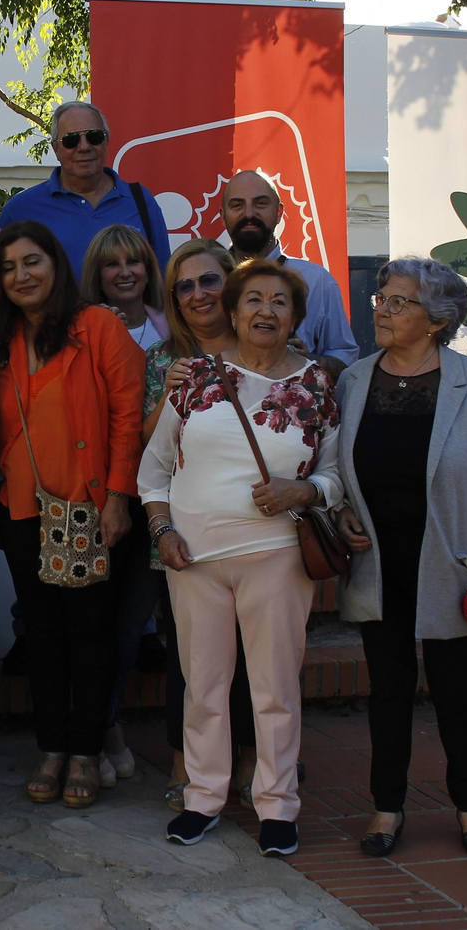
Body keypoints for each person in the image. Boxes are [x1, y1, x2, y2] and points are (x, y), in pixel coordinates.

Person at [139, 258, 343, 859]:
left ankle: (276, 805)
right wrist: (161, 530)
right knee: (203, 684)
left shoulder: (316, 384)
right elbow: (152, 469)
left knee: (274, 686)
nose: (265, 311)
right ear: (232, 311)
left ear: (295, 318)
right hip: (194, 560)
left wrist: (304, 490)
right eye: (253, 299)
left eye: (280, 302)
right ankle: (203, 797)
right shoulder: (196, 377)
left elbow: (336, 475)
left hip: (276, 555)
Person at [334, 257, 467, 860]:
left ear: (438, 320)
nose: (382, 311)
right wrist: (339, 512)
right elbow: (332, 466)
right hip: (378, 561)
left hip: (451, 561)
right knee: (388, 690)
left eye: (399, 302)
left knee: (455, 690)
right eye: (382, 300)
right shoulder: (354, 380)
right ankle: (386, 807)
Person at [0, 221, 143, 810]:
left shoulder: (97, 326)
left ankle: (86, 753)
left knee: (91, 635)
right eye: (8, 267)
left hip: (89, 509)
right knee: (42, 634)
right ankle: (51, 747)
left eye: (33, 261)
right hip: (23, 509)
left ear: (56, 265)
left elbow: (129, 414)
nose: (21, 275)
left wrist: (118, 497)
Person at [137, 240, 252, 814]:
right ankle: (186, 760)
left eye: (209, 281)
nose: (199, 294)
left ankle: (250, 760)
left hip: (258, 529)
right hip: (183, 532)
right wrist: (172, 391)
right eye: (185, 286)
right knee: (189, 657)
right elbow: (147, 444)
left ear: (231, 284)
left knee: (254, 657)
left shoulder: (265, 346)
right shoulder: (163, 358)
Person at [76, 224, 167, 787]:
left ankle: (108, 722)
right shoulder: (82, 327)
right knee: (96, 625)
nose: (125, 272)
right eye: (112, 264)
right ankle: (102, 730)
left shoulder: (171, 327)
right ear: (97, 273)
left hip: (161, 500)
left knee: (132, 623)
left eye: (134, 261)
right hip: (100, 496)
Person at [0, 102, 172, 279]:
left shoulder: (140, 201)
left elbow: (162, 278)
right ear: (56, 149)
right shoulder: (21, 210)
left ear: (107, 142)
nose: (84, 147)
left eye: (94, 137)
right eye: (71, 140)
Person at [221, 170, 359, 376]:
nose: (249, 214)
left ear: (279, 212)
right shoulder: (208, 282)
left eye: (261, 203)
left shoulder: (317, 281)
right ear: (223, 216)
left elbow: (345, 359)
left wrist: (305, 362)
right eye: (237, 205)